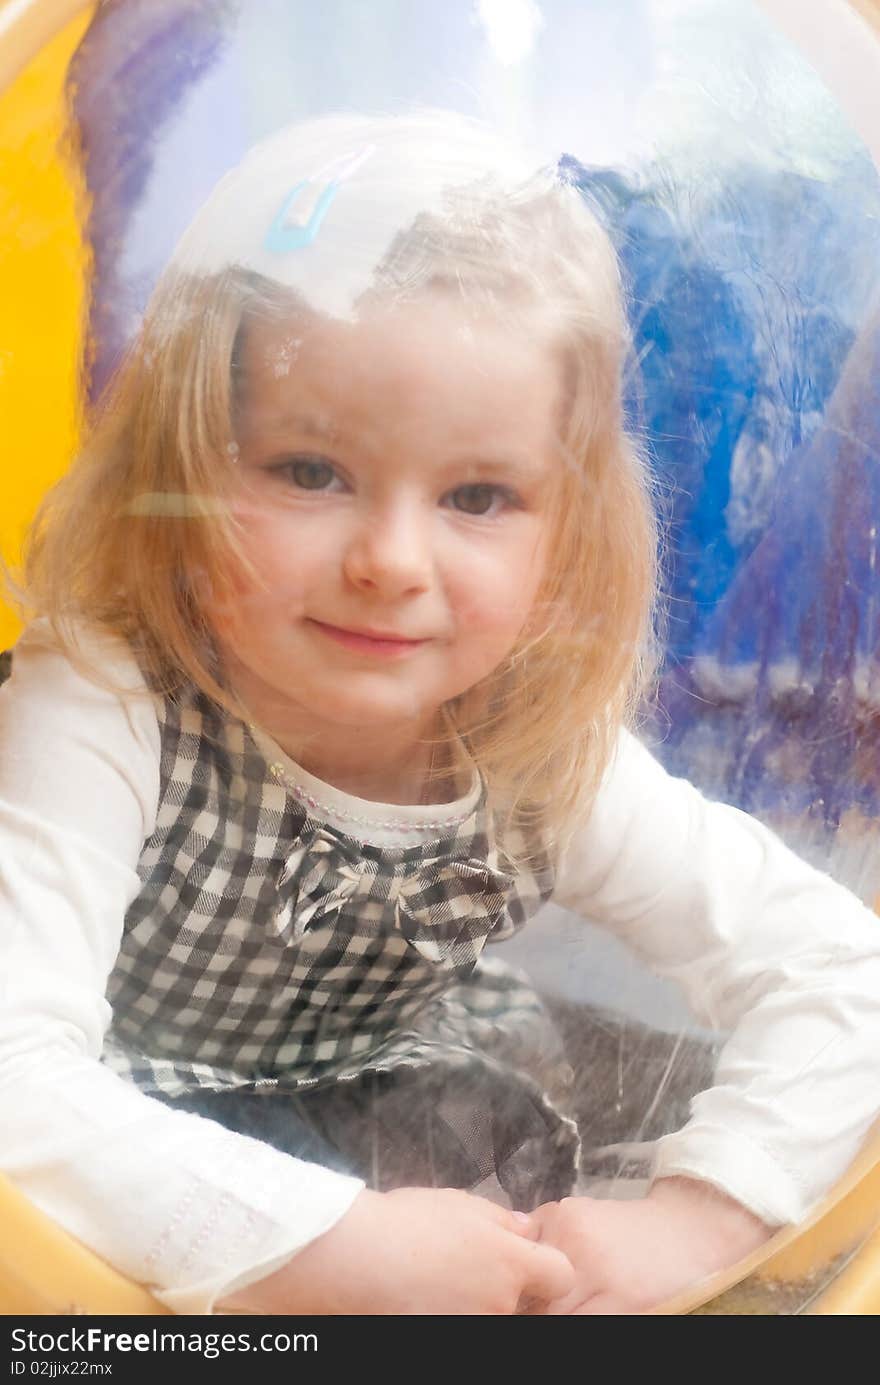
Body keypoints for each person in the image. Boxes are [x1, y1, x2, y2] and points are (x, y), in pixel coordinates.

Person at [1, 109, 878, 1317]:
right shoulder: (107, 692)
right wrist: (316, 1245)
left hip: (395, 1102)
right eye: (310, 470)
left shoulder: (533, 747)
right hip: (125, 1148)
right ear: (182, 468)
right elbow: (11, 1074)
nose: (391, 560)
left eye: (477, 493)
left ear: (566, 534)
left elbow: (842, 968)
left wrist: (700, 1215)